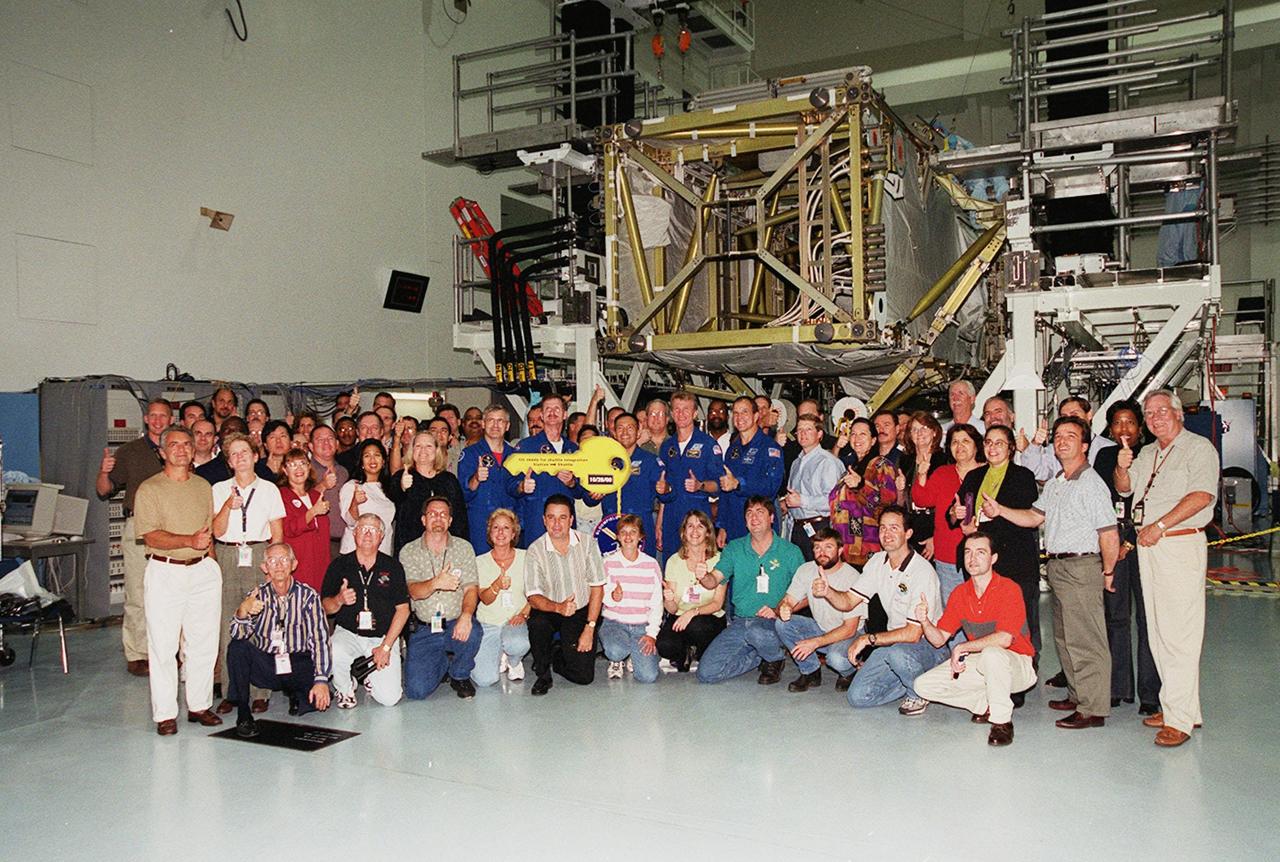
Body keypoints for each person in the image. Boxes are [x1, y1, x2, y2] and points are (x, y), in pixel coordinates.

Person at [985, 415, 1119, 731]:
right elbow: (1034, 516)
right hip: (1058, 567)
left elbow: (1109, 533)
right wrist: (1000, 510)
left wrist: (1108, 571)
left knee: (1086, 638)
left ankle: (1093, 707)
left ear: (1085, 445)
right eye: (1057, 435)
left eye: (1070, 435)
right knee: (1065, 637)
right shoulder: (1059, 480)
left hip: (1082, 565)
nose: (1061, 440)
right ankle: (1077, 695)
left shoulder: (1091, 483)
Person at [1114, 390, 1217, 747]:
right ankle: (1181, 707)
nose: (1155, 417)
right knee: (1157, 632)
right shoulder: (1146, 452)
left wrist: (1160, 526)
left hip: (1177, 542)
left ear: (1179, 414)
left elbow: (1201, 496)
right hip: (1149, 546)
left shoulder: (1198, 448)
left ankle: (1180, 720)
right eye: (1150, 413)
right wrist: (1122, 466)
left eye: (1162, 411)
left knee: (1179, 633)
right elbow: (1125, 490)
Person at [132, 425, 221, 735]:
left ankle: (199, 705)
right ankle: (166, 713)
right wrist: (189, 540)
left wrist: (210, 561)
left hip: (202, 571)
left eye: (187, 444)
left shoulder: (202, 486)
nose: (182, 449)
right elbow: (150, 535)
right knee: (163, 644)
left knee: (204, 642)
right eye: (174, 444)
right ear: (162, 451)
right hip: (165, 571)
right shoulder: (150, 489)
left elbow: (207, 532)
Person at [914, 531, 1037, 746]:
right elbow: (938, 639)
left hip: (1018, 664)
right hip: (983, 663)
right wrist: (924, 621)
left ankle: (1002, 723)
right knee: (923, 686)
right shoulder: (960, 593)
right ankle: (984, 705)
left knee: (992, 653)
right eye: (968, 552)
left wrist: (962, 647)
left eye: (981, 552)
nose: (972, 559)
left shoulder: (1009, 589)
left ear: (994, 558)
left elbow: (1005, 639)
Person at [820, 506, 945, 713]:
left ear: (908, 533)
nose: (886, 534)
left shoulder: (922, 571)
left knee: (898, 654)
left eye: (894, 528)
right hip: (894, 643)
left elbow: (914, 634)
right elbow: (849, 601)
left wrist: (867, 639)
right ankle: (920, 682)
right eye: (883, 528)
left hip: (928, 646)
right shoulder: (877, 561)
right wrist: (828, 592)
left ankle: (919, 693)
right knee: (858, 697)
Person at [1092, 399, 1161, 714]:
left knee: (1147, 619)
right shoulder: (1105, 456)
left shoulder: (1151, 454)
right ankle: (1119, 687)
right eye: (1117, 423)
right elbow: (1100, 502)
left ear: (1140, 426)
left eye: (1130, 422)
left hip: (1146, 544)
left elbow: (1151, 503)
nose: (1124, 429)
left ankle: (1150, 693)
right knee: (1115, 617)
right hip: (1112, 543)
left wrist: (1129, 543)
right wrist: (1111, 543)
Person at [210, 432, 286, 713]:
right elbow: (216, 531)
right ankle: (234, 690)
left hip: (258, 554)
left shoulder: (269, 489)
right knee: (228, 624)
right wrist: (229, 507)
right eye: (234, 454)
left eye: (245, 452)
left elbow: (277, 533)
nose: (240, 457)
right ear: (229, 461)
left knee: (261, 623)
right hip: (228, 555)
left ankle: (260, 690)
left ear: (255, 456)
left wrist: (274, 570)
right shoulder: (218, 489)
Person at [96, 397, 171, 676]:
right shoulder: (130, 451)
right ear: (145, 419)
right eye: (153, 416)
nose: (158, 421)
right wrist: (103, 472)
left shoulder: (177, 448)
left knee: (170, 594)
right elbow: (104, 490)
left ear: (170, 419)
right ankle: (138, 653)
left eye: (163, 416)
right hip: (138, 525)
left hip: (171, 527)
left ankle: (167, 651)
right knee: (138, 592)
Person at [226, 543, 331, 738]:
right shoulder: (257, 595)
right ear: (265, 567)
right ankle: (243, 713)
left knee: (316, 703)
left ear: (294, 564)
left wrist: (322, 680)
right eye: (273, 561)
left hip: (297, 661)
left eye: (284, 560)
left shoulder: (309, 596)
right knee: (237, 648)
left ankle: (296, 694)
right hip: (268, 662)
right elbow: (237, 634)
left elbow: (320, 639)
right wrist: (243, 610)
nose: (279, 566)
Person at [955, 425, 1041, 660]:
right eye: (988, 443)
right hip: (980, 562)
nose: (992, 448)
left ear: (1011, 448)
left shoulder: (1023, 476)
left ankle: (1024, 668)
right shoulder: (974, 476)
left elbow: (1030, 517)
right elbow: (956, 514)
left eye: (999, 443)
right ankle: (988, 667)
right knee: (985, 621)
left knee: (1020, 621)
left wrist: (999, 511)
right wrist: (957, 513)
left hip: (1014, 560)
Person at [697, 496, 804, 685]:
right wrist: (703, 576)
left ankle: (774, 658)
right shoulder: (734, 548)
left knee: (757, 631)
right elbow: (713, 580)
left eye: (760, 512)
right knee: (706, 673)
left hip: (775, 622)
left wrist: (782, 610)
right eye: (749, 513)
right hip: (741, 622)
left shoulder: (790, 551)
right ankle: (757, 656)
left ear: (772, 517)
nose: (754, 518)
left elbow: (807, 595)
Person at [321, 513, 410, 708]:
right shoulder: (339, 565)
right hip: (349, 633)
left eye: (373, 530)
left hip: (382, 637)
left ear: (381, 536)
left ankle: (370, 677)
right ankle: (345, 688)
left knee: (389, 699)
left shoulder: (393, 566)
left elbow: (403, 610)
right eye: (363, 529)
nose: (367, 534)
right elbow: (325, 608)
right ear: (354, 534)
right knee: (334, 650)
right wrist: (339, 599)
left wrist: (386, 647)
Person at [400, 497, 483, 699]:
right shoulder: (408, 551)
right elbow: (413, 591)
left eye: (443, 514)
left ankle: (459, 674)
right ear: (423, 520)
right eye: (432, 514)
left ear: (450, 521)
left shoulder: (464, 548)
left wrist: (466, 615)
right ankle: (443, 661)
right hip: (425, 627)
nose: (438, 518)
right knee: (416, 691)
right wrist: (436, 583)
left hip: (455, 621)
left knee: (473, 631)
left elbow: (471, 588)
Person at [524, 495, 606, 695]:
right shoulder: (535, 550)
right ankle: (543, 674)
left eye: (562, 518)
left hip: (580, 610)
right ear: (544, 520)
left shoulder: (588, 544)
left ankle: (557, 654)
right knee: (538, 624)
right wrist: (558, 607)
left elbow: (597, 588)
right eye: (551, 517)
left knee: (584, 677)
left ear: (571, 520)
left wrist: (589, 628)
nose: (556, 524)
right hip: (549, 607)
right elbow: (533, 597)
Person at [773, 528, 863, 692]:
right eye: (817, 547)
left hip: (849, 633)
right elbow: (787, 601)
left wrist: (815, 642)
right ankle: (810, 671)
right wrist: (784, 608)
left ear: (840, 550)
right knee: (782, 623)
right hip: (821, 626)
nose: (822, 552)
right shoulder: (806, 570)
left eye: (828, 547)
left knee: (835, 659)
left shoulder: (852, 577)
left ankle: (849, 672)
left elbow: (850, 629)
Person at [910, 423, 984, 604]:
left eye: (965, 441)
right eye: (954, 442)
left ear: (976, 445)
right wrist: (922, 475)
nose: (959, 446)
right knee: (953, 610)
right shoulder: (943, 473)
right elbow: (922, 500)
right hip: (948, 554)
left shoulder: (988, 472)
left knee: (982, 608)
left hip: (982, 553)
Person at [655, 391, 724, 561]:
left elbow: (719, 485)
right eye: (677, 409)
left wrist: (700, 485)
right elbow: (664, 488)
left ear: (695, 414)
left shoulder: (709, 445)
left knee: (698, 567)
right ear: (671, 414)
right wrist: (659, 524)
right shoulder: (667, 446)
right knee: (672, 568)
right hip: (671, 517)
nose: (681, 414)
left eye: (686, 409)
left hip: (697, 517)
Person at [656, 510, 726, 672]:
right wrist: (668, 599)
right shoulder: (674, 561)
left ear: (708, 532)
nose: (695, 531)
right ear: (683, 532)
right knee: (664, 646)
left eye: (700, 526)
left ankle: (702, 653)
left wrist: (692, 612)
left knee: (698, 627)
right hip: (680, 616)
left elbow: (717, 604)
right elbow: (672, 609)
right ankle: (685, 653)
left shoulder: (719, 559)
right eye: (690, 526)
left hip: (709, 618)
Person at [509, 393, 582, 547]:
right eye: (548, 409)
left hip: (565, 523)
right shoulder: (526, 447)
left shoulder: (574, 449)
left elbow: (581, 490)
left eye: (557, 409)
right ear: (541, 415)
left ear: (565, 414)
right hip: (536, 521)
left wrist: (572, 483)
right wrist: (522, 486)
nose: (552, 412)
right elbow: (509, 483)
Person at [597, 515, 663, 683]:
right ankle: (617, 660)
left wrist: (652, 634)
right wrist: (612, 597)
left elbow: (657, 603)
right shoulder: (607, 563)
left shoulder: (651, 564)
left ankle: (637, 655)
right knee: (615, 650)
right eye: (623, 532)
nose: (628, 537)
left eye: (633, 532)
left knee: (648, 677)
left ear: (641, 536)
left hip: (642, 625)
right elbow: (601, 596)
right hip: (615, 623)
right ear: (617, 537)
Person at [471, 509, 531, 686]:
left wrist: (524, 615)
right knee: (484, 680)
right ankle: (499, 652)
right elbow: (485, 598)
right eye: (496, 527)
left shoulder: (526, 557)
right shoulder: (479, 561)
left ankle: (513, 660)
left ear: (514, 533)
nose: (500, 532)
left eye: (506, 528)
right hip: (488, 623)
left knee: (518, 644)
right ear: (490, 532)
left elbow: (535, 595)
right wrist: (496, 585)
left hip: (515, 620)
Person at [830, 417, 898, 567]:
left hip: (867, 549)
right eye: (853, 434)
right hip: (845, 548)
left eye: (863, 434)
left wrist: (861, 485)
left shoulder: (881, 464)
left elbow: (887, 504)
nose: (856, 438)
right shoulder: (850, 468)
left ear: (873, 440)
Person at [717, 396, 785, 546]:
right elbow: (725, 490)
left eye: (744, 412)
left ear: (755, 416)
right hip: (734, 525)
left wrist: (739, 484)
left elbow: (771, 487)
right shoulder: (732, 450)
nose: (739, 417)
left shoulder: (770, 448)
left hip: (759, 525)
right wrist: (722, 525)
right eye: (735, 413)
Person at [596, 412, 664, 555]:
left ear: (639, 431)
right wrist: (593, 495)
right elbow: (587, 496)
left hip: (641, 526)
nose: (625, 432)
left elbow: (669, 496)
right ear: (613, 432)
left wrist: (666, 489)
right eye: (620, 428)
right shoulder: (603, 460)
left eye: (630, 428)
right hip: (610, 528)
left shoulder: (650, 461)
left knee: (642, 573)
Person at [389, 430, 468, 551]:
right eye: (418, 446)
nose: (423, 451)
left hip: (445, 548)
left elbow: (460, 518)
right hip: (410, 549)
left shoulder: (449, 480)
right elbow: (394, 495)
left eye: (429, 446)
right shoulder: (402, 477)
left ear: (436, 450)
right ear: (412, 450)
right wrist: (402, 487)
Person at [780, 413, 844, 561]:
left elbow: (834, 502)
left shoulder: (828, 462)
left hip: (820, 528)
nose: (802, 434)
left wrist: (802, 501)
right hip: (797, 528)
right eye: (799, 430)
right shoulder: (796, 463)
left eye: (808, 429)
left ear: (819, 433)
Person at [459, 404, 518, 554]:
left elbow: (518, 490)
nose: (495, 425)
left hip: (508, 523)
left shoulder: (516, 456)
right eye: (491, 420)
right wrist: (476, 479)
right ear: (483, 424)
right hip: (481, 524)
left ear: (507, 426)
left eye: (500, 421)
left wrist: (523, 487)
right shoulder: (470, 454)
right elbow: (463, 493)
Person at [1017, 395, 1115, 481]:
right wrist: (1035, 444)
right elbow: (1034, 472)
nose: (1070, 420)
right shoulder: (1057, 448)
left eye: (1074, 415)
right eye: (1064, 416)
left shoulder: (1108, 448)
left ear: (1089, 415)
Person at [278, 447, 331, 593]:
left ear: (309, 467)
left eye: (302, 463)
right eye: (292, 464)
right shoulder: (281, 495)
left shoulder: (315, 495)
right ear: (284, 470)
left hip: (320, 563)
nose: (298, 468)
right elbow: (289, 528)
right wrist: (313, 512)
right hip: (298, 564)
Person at [898, 411, 948, 560]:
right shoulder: (905, 460)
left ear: (934, 432)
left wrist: (936, 538)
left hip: (934, 526)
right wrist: (900, 489)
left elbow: (947, 503)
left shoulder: (944, 460)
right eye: (914, 429)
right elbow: (901, 502)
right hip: (910, 526)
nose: (919, 433)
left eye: (924, 428)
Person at [338, 439, 396, 556]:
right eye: (367, 456)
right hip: (355, 552)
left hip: (383, 551)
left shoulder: (389, 488)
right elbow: (350, 521)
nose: (372, 460)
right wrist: (354, 503)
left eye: (377, 455)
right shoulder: (352, 486)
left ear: (384, 461)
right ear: (361, 462)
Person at [309, 424, 349, 557]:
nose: (326, 443)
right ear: (310, 446)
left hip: (345, 542)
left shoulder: (343, 471)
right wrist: (323, 485)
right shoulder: (304, 471)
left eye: (330, 438)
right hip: (317, 542)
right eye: (320, 439)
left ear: (337, 444)